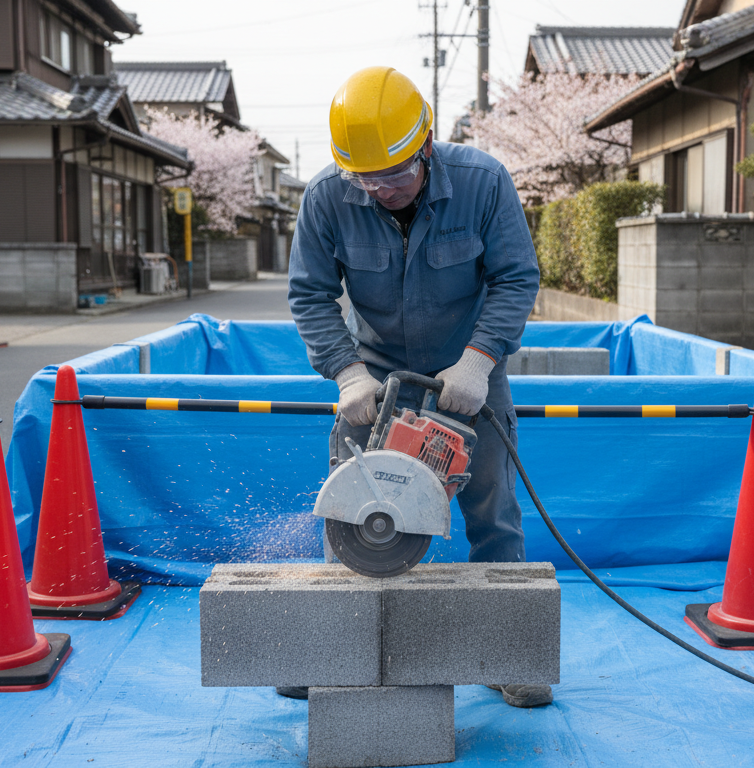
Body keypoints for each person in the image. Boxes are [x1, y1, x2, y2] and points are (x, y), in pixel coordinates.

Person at [285, 67, 546, 708]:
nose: (382, 189)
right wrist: (347, 372)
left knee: (491, 514)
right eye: (365, 179)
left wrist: (480, 362)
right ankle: (338, 655)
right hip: (374, 375)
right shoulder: (325, 198)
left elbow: (517, 278)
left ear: (425, 145)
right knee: (353, 513)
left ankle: (505, 653)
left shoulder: (483, 183)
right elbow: (310, 295)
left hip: (469, 374)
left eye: (396, 174)